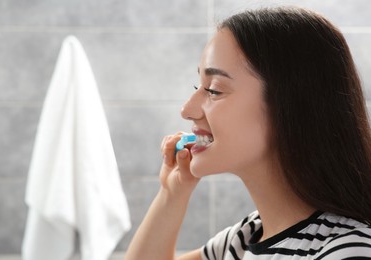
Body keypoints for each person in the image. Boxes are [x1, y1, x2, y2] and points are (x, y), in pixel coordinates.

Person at [125, 6, 371, 259]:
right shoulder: (242, 240)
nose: (187, 110)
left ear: (289, 107)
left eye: (214, 90)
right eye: (199, 86)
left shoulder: (347, 253)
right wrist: (172, 193)